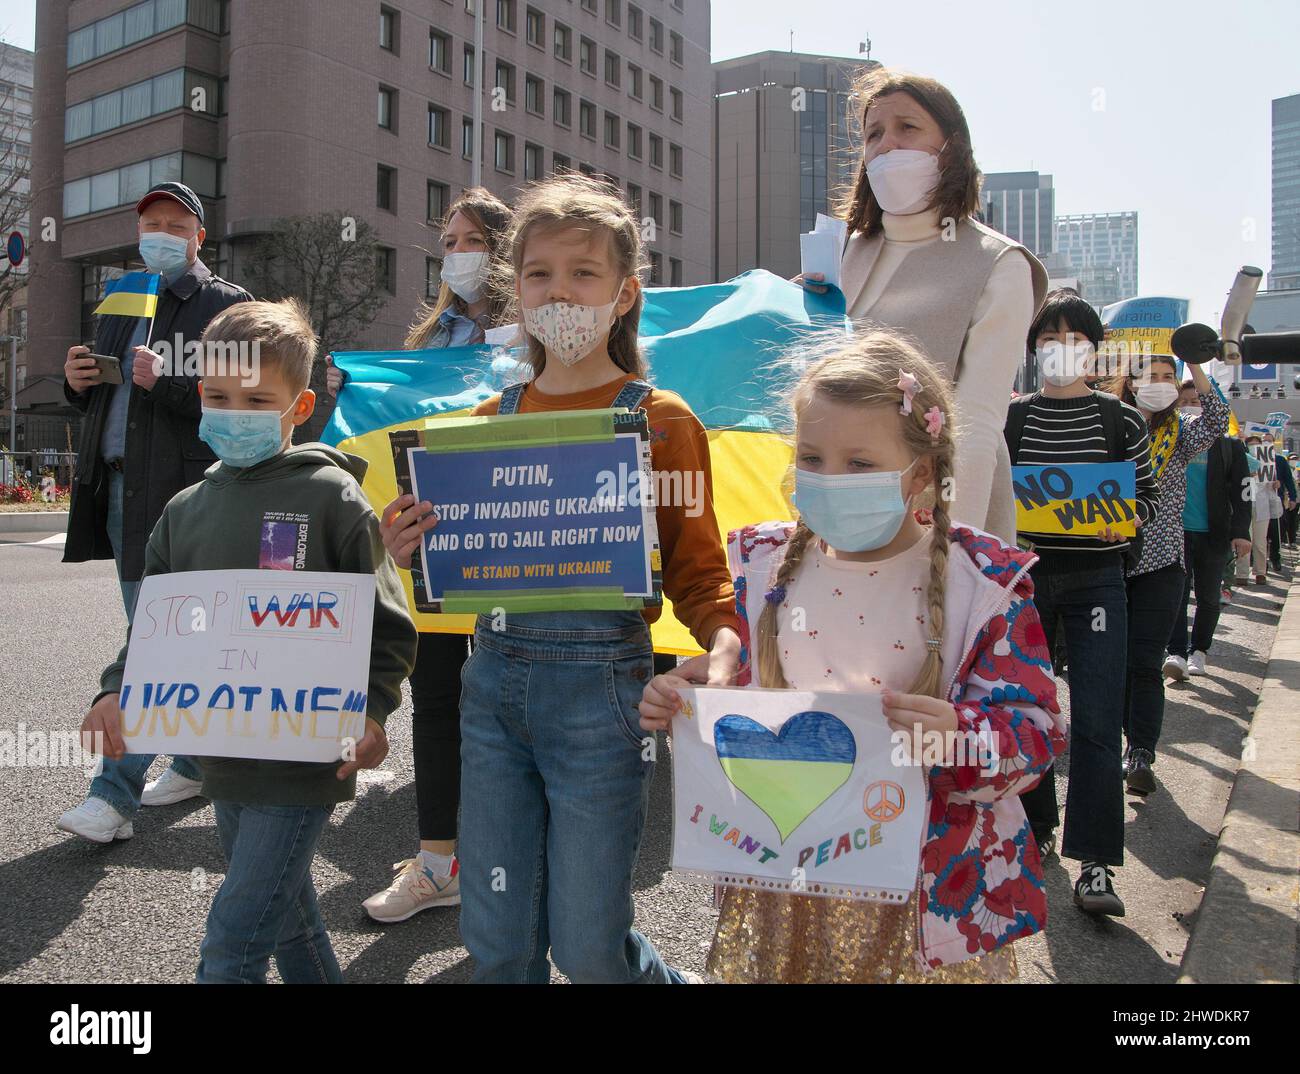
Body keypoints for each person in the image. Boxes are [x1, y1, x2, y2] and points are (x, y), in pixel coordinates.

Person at [379, 174, 742, 983]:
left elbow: (701, 575)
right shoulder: (479, 429)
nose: (560, 291)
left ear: (624, 294)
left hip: (603, 707)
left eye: (584, 273)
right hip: (492, 696)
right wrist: (399, 547)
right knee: (499, 947)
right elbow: (435, 574)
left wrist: (724, 647)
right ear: (518, 294)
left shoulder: (663, 420)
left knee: (588, 949)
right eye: (539, 273)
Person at [639, 332, 1064, 981]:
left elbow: (1033, 734)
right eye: (811, 457)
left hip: (927, 905)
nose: (828, 480)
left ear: (920, 472)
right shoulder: (760, 566)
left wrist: (959, 737)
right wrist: (700, 695)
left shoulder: (984, 586)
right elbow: (751, 701)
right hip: (784, 893)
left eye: (859, 463)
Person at [79, 299, 417, 982]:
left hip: (301, 764)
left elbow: (385, 617)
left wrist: (374, 709)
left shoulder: (333, 499)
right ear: (197, 392)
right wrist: (117, 690)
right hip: (220, 753)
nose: (234, 411)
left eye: (258, 398)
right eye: (218, 395)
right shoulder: (185, 508)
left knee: (232, 942)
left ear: (298, 408)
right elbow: (155, 622)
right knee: (287, 919)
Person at [328, 189, 514, 923]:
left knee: (505, 703)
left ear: (503, 249)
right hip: (438, 538)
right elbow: (406, 434)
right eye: (449, 241)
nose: (458, 254)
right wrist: (362, 404)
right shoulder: (428, 342)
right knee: (436, 696)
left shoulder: (537, 327)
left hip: (510, 540)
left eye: (473, 239)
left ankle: (506, 863)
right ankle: (439, 863)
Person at [58, 182, 252, 843]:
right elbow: (99, 402)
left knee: (158, 642)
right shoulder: (121, 298)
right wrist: (75, 381)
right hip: (117, 493)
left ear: (200, 236)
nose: (160, 234)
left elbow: (246, 403)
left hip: (186, 496)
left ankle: (112, 796)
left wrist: (164, 383)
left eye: (175, 224)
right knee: (167, 636)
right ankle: (196, 761)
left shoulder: (226, 306)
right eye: (150, 224)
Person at [799, 67, 1047, 543]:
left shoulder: (998, 263)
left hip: (931, 518)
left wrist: (956, 548)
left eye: (907, 128)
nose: (887, 144)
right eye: (874, 134)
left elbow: (975, 424)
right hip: (831, 511)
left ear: (952, 147)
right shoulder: (842, 254)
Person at [1004, 291, 1159, 916]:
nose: (1062, 349)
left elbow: (1144, 495)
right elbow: (993, 493)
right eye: (1049, 338)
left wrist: (1123, 522)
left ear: (1095, 351)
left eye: (1075, 338)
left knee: (1097, 718)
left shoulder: (1120, 421)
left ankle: (1094, 863)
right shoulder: (1013, 420)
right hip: (1028, 578)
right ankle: (1034, 823)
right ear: (1033, 349)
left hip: (1098, 576)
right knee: (1027, 711)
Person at [1104, 354, 1228, 796]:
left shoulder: (1180, 435)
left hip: (1162, 564)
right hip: (1109, 560)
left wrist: (1195, 362)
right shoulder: (1110, 426)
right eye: (1149, 376)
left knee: (1144, 662)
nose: (1158, 384)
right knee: (1114, 663)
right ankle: (1121, 743)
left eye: (1166, 377)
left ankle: (1141, 753)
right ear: (1130, 383)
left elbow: (1218, 417)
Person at [1163, 381, 1251, 680]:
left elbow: (1242, 491)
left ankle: (1198, 651)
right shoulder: (1168, 439)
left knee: (1208, 596)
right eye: (1183, 400)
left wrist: (1242, 531)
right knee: (1175, 593)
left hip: (1213, 532)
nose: (1190, 405)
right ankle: (1175, 651)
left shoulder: (1229, 445)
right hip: (1174, 531)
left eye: (1196, 400)